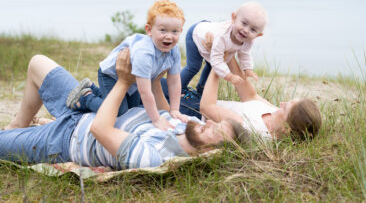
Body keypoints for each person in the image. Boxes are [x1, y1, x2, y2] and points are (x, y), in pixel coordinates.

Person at [0, 50, 245, 169]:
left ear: (210, 153)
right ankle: (17, 126)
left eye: (217, 131)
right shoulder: (189, 123)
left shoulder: (154, 157)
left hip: (65, 139)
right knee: (37, 63)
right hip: (85, 107)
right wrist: (154, 78)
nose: (210, 122)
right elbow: (162, 111)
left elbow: (100, 129)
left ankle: (20, 133)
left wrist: (124, 81)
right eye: (217, 122)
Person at [67, 0, 188, 131]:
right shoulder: (144, 53)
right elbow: (145, 91)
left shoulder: (174, 50)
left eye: (175, 31)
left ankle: (95, 90)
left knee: (133, 110)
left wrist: (175, 109)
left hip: (134, 79)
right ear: (149, 30)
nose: (169, 36)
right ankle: (86, 98)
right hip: (112, 75)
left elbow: (174, 81)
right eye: (163, 30)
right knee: (120, 113)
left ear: (181, 30)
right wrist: (156, 119)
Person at [199, 55, 322, 140]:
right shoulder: (276, 116)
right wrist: (230, 55)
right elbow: (250, 96)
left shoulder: (254, 130)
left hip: (194, 111)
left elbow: (206, 108)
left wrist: (218, 66)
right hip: (202, 98)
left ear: (286, 129)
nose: (281, 104)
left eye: (285, 108)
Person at [180, 1, 268, 97]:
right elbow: (217, 61)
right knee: (194, 66)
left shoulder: (248, 41)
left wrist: (248, 69)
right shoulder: (222, 37)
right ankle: (179, 88)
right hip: (197, 33)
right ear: (233, 18)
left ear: (258, 35)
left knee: (211, 65)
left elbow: (245, 54)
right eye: (244, 23)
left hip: (210, 30)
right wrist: (229, 76)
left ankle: (202, 89)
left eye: (253, 30)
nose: (246, 30)